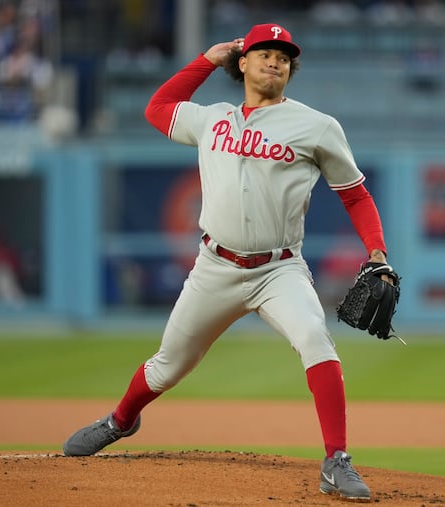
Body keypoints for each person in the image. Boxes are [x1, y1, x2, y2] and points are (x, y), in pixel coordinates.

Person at [62, 23, 395, 502]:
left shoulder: (317, 126)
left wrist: (378, 251)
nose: (275, 61)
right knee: (167, 367)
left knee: (314, 338)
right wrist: (205, 58)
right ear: (242, 62)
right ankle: (119, 420)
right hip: (214, 266)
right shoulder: (211, 118)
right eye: (264, 52)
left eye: (284, 56)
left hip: (278, 269)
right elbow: (156, 109)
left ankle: (336, 460)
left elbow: (356, 196)